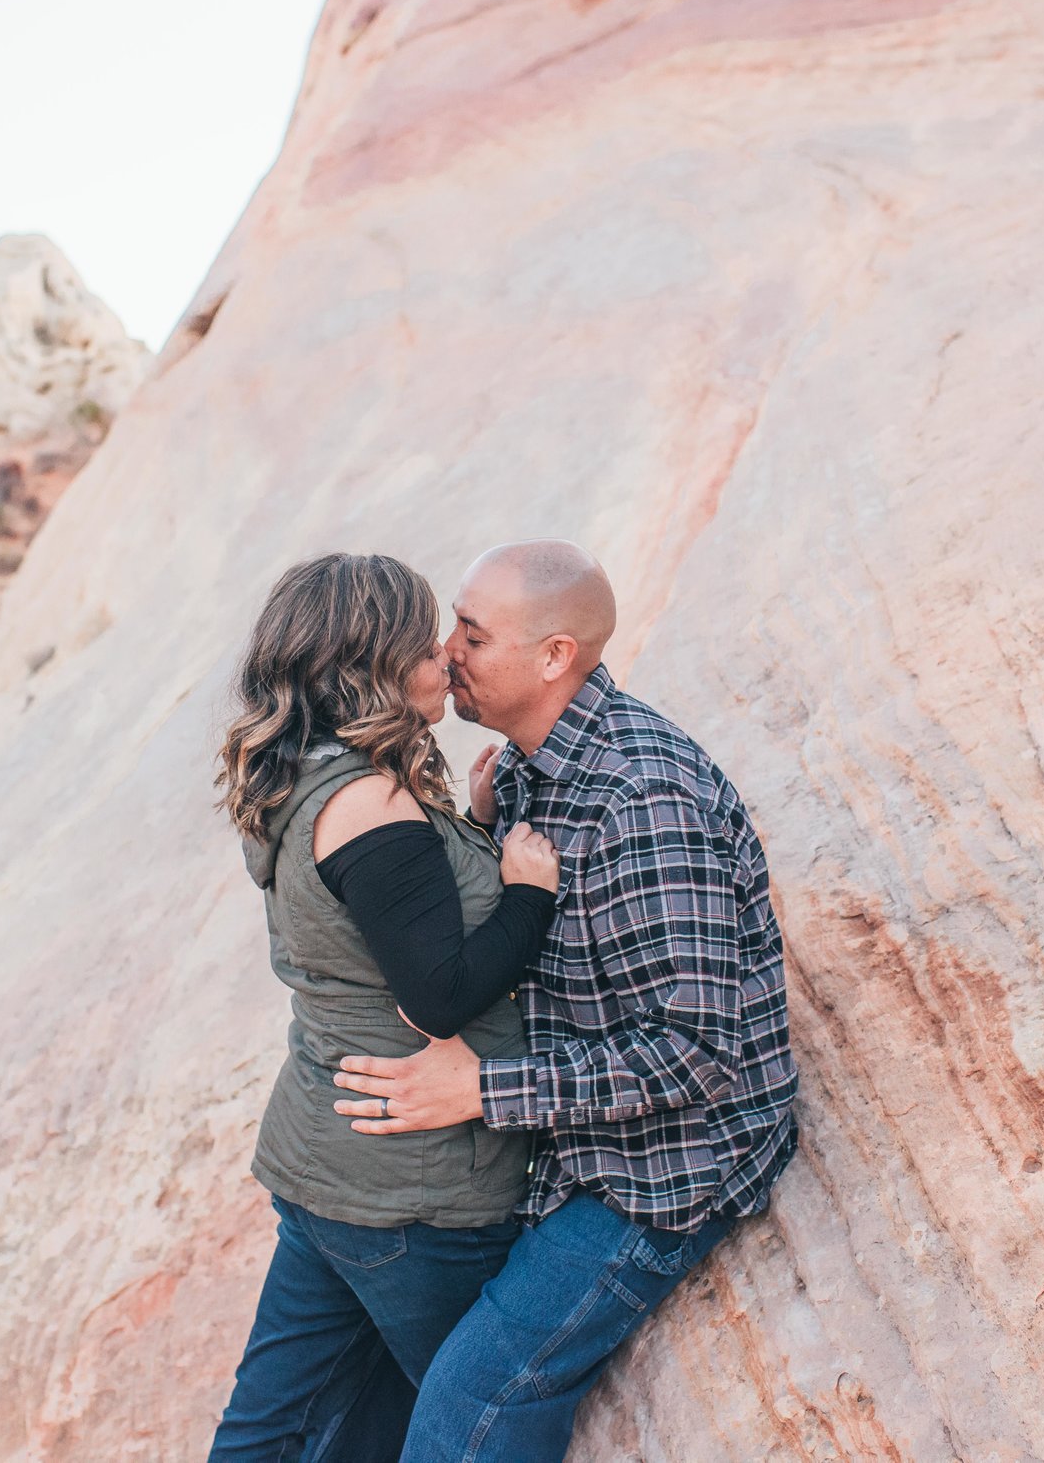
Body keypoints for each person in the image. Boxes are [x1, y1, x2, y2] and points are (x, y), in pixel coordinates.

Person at [329, 540, 799, 1462]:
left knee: (476, 1393)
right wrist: (477, 826)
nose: (444, 651)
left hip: (662, 1166)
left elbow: (695, 1050)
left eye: (471, 633)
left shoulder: (644, 798)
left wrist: (482, 1089)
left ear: (554, 657)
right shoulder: (528, 770)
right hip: (569, 1132)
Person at [208, 553, 565, 1462]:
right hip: (415, 1194)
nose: (447, 656)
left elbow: (387, 928)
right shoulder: (372, 805)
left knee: (281, 1428)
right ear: (372, 665)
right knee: (473, 1421)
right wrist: (525, 892)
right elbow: (437, 993)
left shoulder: (314, 773)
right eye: (425, 641)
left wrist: (470, 835)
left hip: (333, 1166)